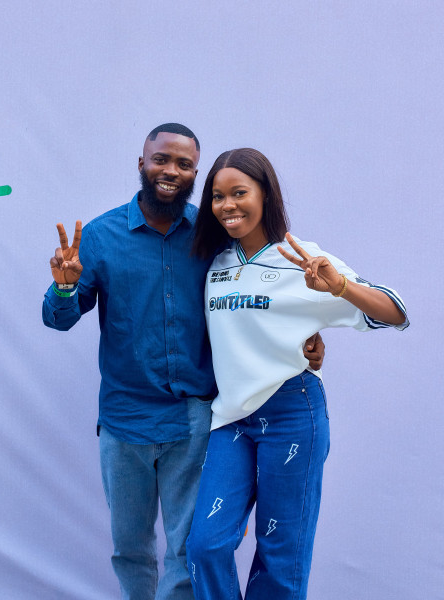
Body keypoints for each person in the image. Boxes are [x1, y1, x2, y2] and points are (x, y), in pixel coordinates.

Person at [42, 125, 325, 600]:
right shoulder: (99, 237)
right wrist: (66, 286)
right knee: (129, 548)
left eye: (184, 164)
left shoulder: (214, 236)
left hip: (193, 420)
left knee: (185, 551)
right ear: (141, 164)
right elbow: (58, 319)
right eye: (161, 160)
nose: (171, 171)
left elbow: (258, 295)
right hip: (124, 422)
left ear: (196, 171)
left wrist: (305, 334)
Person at [186, 147, 408, 600]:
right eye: (217, 196)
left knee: (279, 558)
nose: (227, 205)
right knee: (205, 547)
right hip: (230, 421)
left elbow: (395, 313)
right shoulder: (217, 264)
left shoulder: (302, 259)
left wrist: (341, 287)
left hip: (292, 413)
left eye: (240, 193)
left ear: (266, 194)